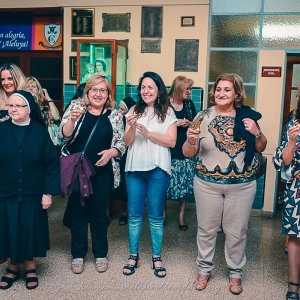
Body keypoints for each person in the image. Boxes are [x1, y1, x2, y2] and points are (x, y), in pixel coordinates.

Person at [183, 73, 267, 294]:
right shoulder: (202, 117)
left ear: (237, 93)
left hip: (242, 185)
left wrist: (256, 131)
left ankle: (236, 273)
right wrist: (191, 141)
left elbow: (261, 146)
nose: (221, 93)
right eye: (218, 89)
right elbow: (188, 152)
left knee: (237, 231)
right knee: (206, 229)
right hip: (206, 184)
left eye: (227, 90)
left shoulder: (247, 116)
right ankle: (204, 269)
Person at [58, 75, 125, 274]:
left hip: (102, 172)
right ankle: (78, 254)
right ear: (87, 92)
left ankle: (100, 253)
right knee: (78, 213)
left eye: (102, 90)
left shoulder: (115, 116)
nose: (98, 94)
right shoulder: (75, 109)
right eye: (94, 90)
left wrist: (112, 152)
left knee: (99, 214)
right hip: (79, 171)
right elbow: (63, 136)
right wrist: (71, 120)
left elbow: (121, 144)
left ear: (108, 94)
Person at [0, 90, 60, 290]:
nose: (13, 109)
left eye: (18, 106)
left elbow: (52, 163)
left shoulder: (39, 132)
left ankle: (31, 268)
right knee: (8, 229)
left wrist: (48, 192)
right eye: (10, 105)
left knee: (30, 229)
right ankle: (12, 268)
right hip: (6, 191)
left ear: (29, 109)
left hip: (33, 192)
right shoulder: (2, 130)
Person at [123, 71, 177, 278]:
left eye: (150, 87)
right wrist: (130, 126)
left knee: (155, 216)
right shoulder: (133, 110)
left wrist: (148, 133)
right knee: (134, 215)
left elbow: (171, 141)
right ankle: (133, 255)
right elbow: (127, 142)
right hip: (134, 170)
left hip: (157, 171)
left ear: (158, 90)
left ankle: (156, 257)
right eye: (143, 87)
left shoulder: (168, 112)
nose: (146, 91)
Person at [273, 84, 300, 300]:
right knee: (295, 236)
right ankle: (294, 283)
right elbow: (286, 160)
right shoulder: (293, 125)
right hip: (297, 190)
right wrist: (291, 141)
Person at [166, 75, 197, 230]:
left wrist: (190, 124)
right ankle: (163, 213)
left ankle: (181, 215)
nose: (189, 92)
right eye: (187, 88)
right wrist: (174, 123)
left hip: (184, 149)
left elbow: (196, 123)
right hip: (167, 149)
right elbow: (157, 125)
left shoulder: (189, 104)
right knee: (164, 184)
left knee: (183, 185)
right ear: (179, 88)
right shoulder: (164, 103)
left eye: (190, 88)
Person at [110, 96, 136, 225]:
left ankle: (125, 212)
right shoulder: (117, 119)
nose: (120, 111)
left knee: (125, 186)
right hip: (116, 157)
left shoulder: (131, 121)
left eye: (122, 109)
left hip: (127, 158)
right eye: (119, 108)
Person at [26, 77, 61, 145]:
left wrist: (49, 99)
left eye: (33, 86)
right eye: (27, 86)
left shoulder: (44, 107)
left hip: (43, 141)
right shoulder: (21, 105)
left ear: (38, 90)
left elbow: (56, 118)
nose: (30, 88)